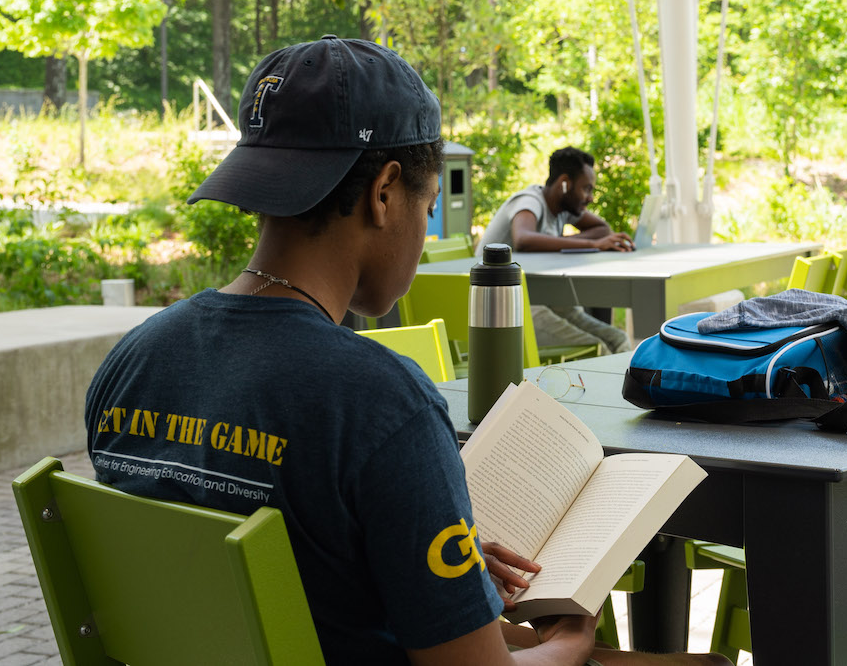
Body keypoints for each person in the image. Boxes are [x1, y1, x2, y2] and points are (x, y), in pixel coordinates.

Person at [84, 37, 724, 666]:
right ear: (385, 193)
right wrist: (567, 643)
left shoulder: (132, 362)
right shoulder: (381, 402)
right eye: (431, 205)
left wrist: (432, 556)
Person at [478, 147, 631, 354]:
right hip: (503, 308)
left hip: (541, 297)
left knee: (619, 339)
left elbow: (602, 229)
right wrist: (592, 245)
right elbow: (523, 239)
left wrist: (560, 241)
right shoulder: (530, 201)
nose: (590, 198)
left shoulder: (562, 210)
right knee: (598, 349)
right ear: (565, 183)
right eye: (586, 189)